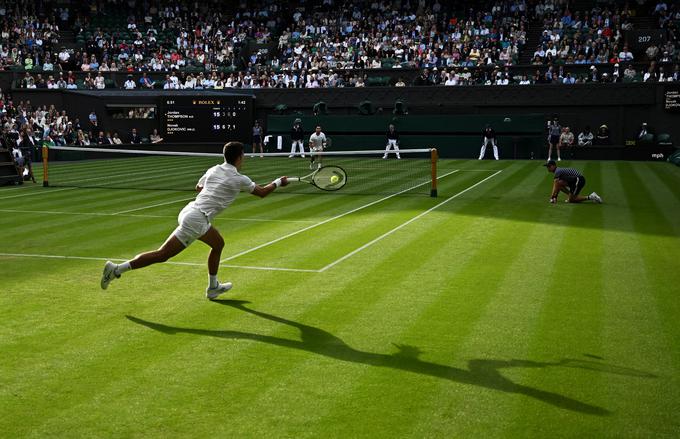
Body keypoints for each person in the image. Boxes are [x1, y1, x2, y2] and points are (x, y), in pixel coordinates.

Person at [100, 141, 289, 298]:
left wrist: (216, 191)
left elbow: (199, 187)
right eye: (244, 155)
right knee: (163, 255)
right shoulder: (240, 179)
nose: (244, 159)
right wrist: (279, 182)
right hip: (197, 219)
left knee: (218, 244)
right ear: (239, 157)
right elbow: (263, 192)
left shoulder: (215, 169)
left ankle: (213, 287)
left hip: (190, 211)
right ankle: (117, 269)